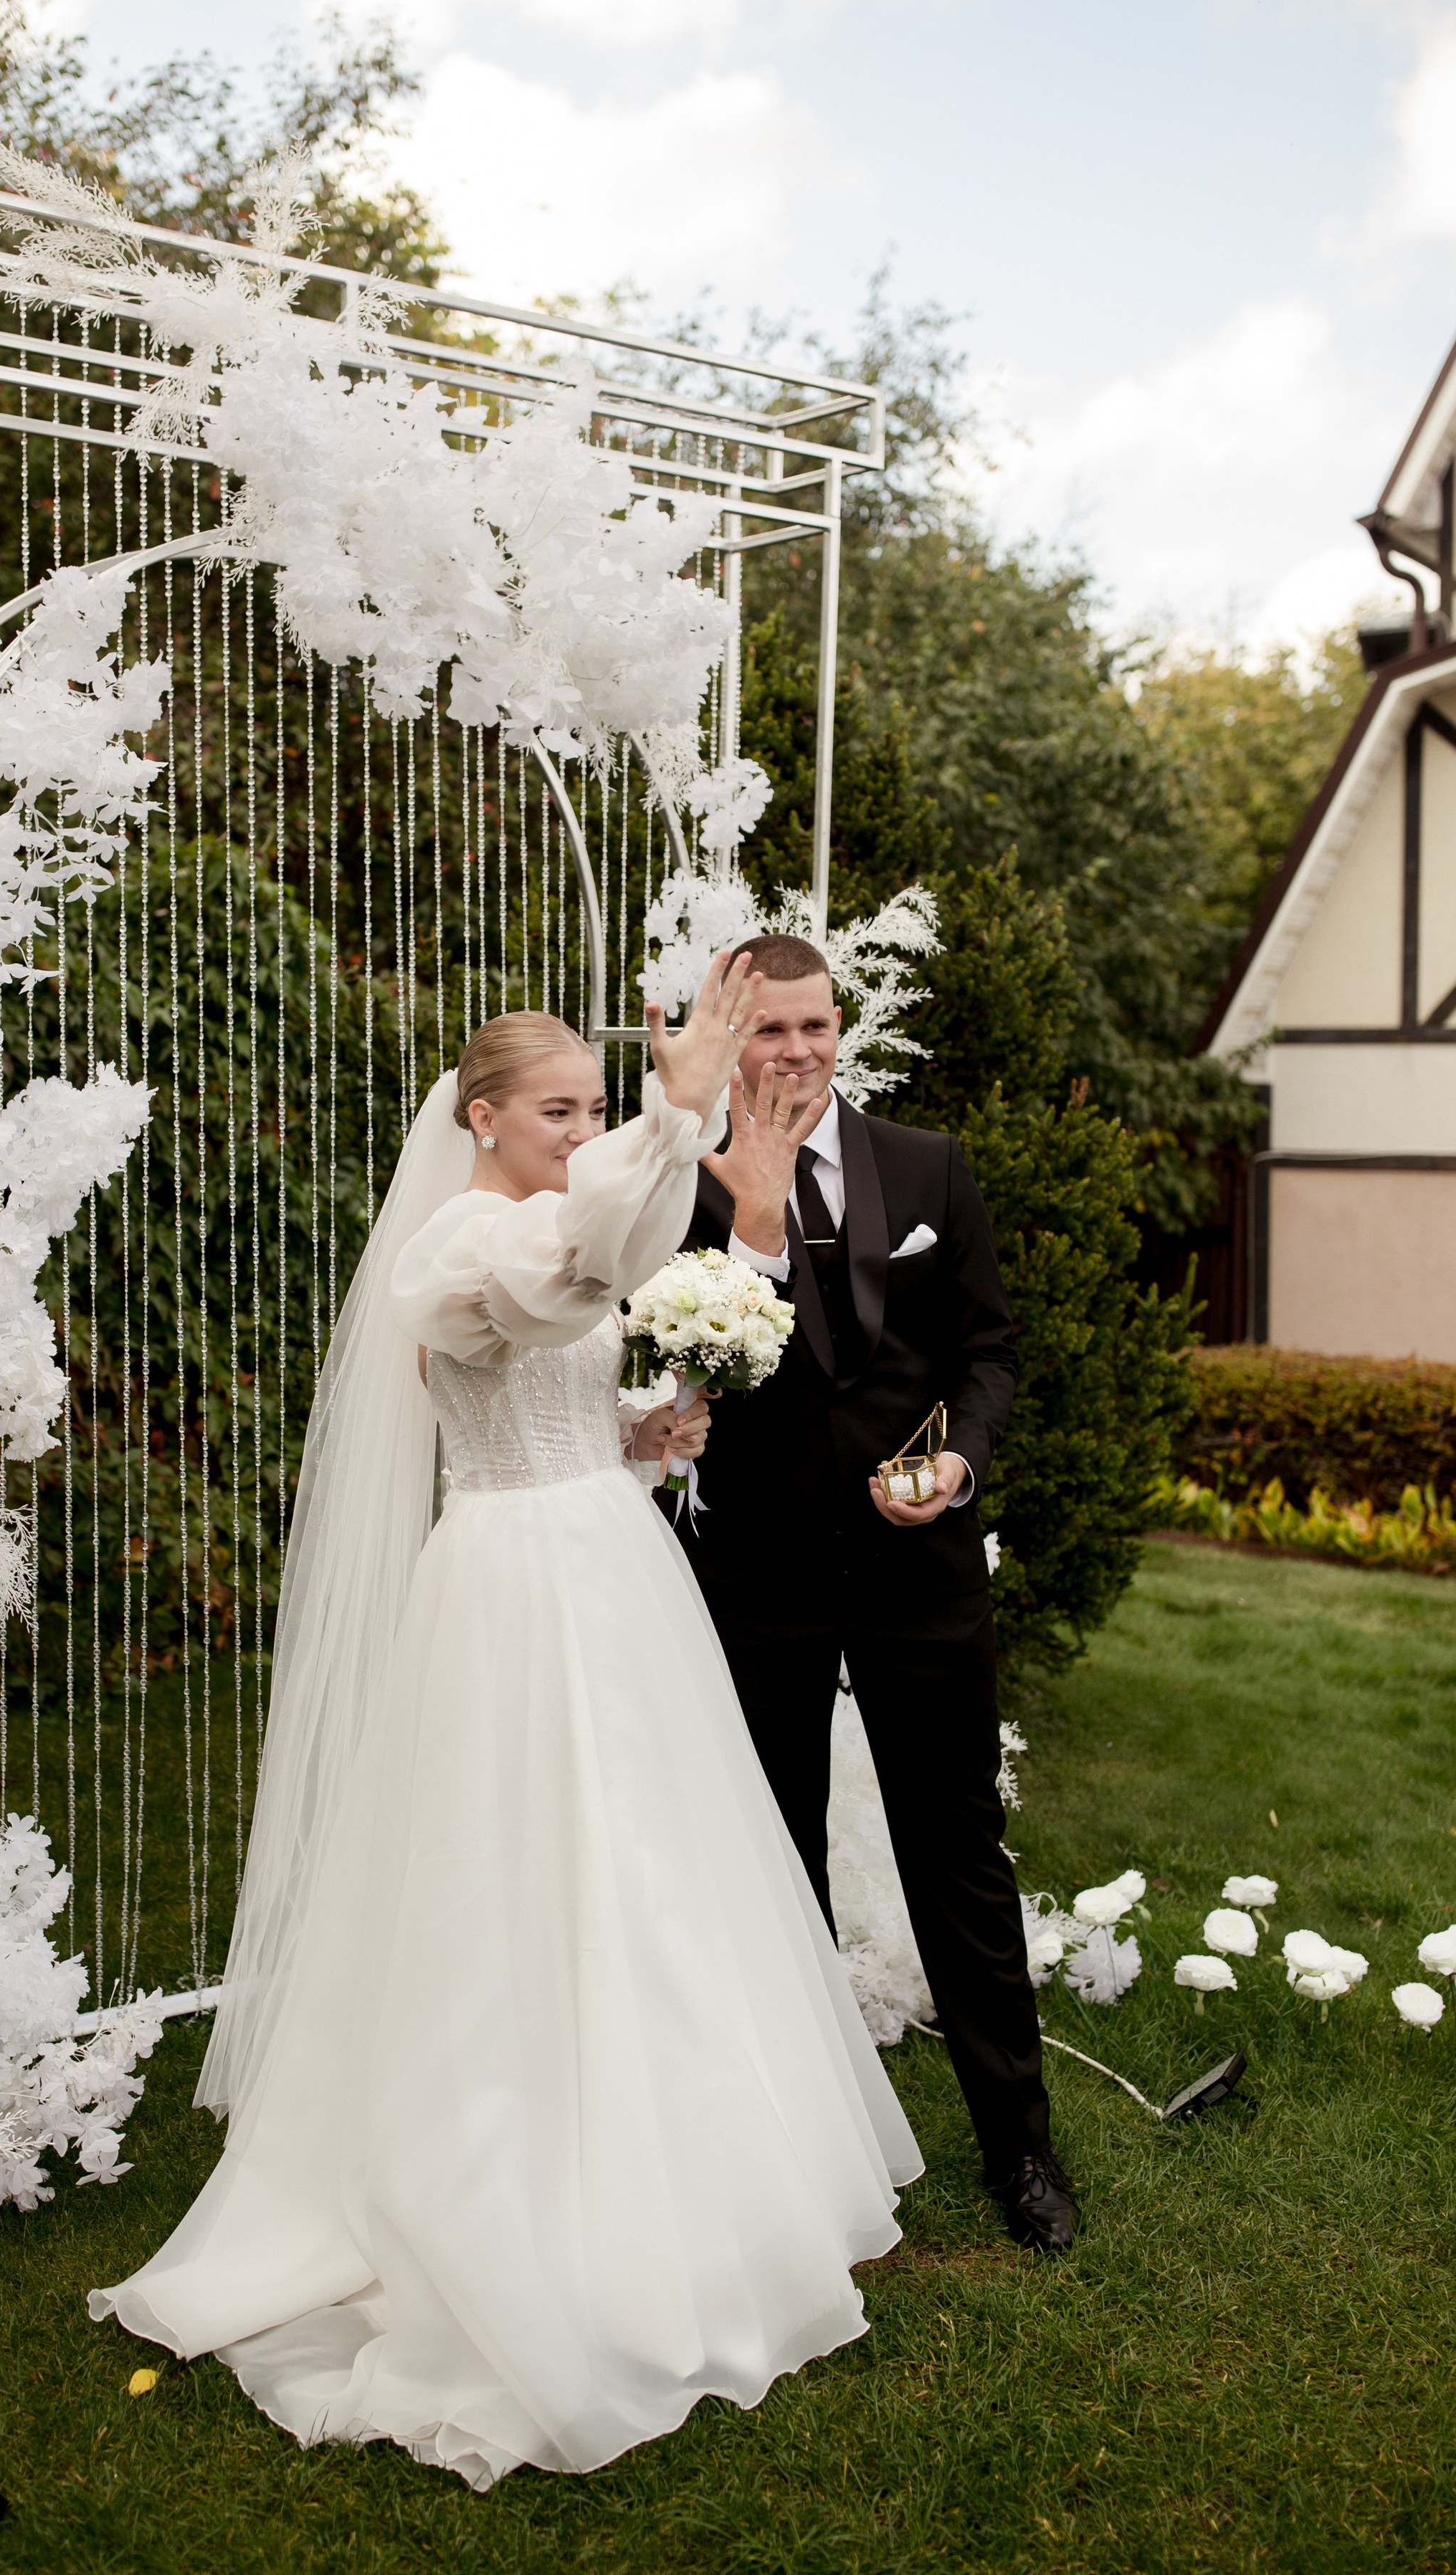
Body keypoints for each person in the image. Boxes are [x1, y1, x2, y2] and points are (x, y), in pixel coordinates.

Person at [90, 953, 921, 2488]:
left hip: (605, 1559)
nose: (573, 1128)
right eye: (555, 1108)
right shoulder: (454, 1248)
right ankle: (510, 2180)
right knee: (515, 1884)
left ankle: (688, 2174)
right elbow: (553, 1287)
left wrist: (645, 1433)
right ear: (479, 1116)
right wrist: (672, 1127)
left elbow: (578, 1345)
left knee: (653, 1872)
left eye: (589, 1107)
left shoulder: (548, 1225)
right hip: (506, 1594)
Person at [666, 930, 1075, 2254]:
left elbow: (989, 1350)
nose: (793, 1053)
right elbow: (664, 1352)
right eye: (765, 1032)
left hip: (921, 1573)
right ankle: (793, 2162)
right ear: (729, 1040)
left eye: (813, 1027)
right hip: (759, 1576)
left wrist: (957, 1460)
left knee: (957, 1855)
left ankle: (1022, 2151)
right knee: (774, 1865)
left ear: (844, 1027)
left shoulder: (927, 1167)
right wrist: (754, 1197)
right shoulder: (682, 1186)